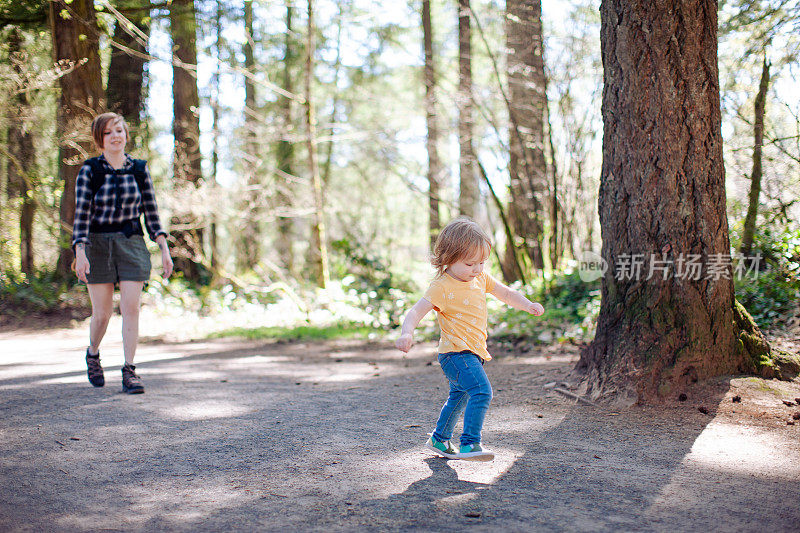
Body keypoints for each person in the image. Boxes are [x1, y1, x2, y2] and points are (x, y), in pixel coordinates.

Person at [395, 217, 544, 461]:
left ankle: (439, 439)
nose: (476, 269)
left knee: (460, 397)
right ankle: (470, 443)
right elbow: (415, 311)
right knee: (482, 391)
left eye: (481, 262)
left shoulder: (480, 279)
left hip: (474, 352)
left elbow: (505, 292)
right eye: (469, 263)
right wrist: (406, 333)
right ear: (448, 258)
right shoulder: (441, 286)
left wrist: (528, 305)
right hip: (455, 354)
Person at [72, 112, 173, 394]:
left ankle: (130, 370)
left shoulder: (139, 169)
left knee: (131, 309)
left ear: (126, 134)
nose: (115, 136)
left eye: (119, 130)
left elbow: (151, 213)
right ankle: (93, 353)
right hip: (97, 244)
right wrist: (80, 250)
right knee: (102, 314)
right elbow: (81, 214)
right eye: (107, 133)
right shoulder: (90, 170)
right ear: (100, 139)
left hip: (131, 242)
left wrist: (163, 249)